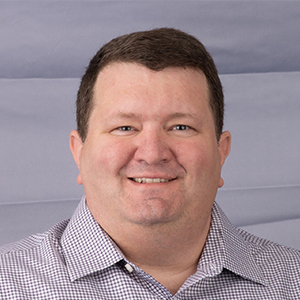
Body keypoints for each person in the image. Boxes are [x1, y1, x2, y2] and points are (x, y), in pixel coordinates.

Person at [0, 28, 299, 300]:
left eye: (181, 127)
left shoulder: (293, 281)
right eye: (125, 128)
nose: (152, 153)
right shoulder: (8, 283)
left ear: (221, 152)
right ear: (79, 152)